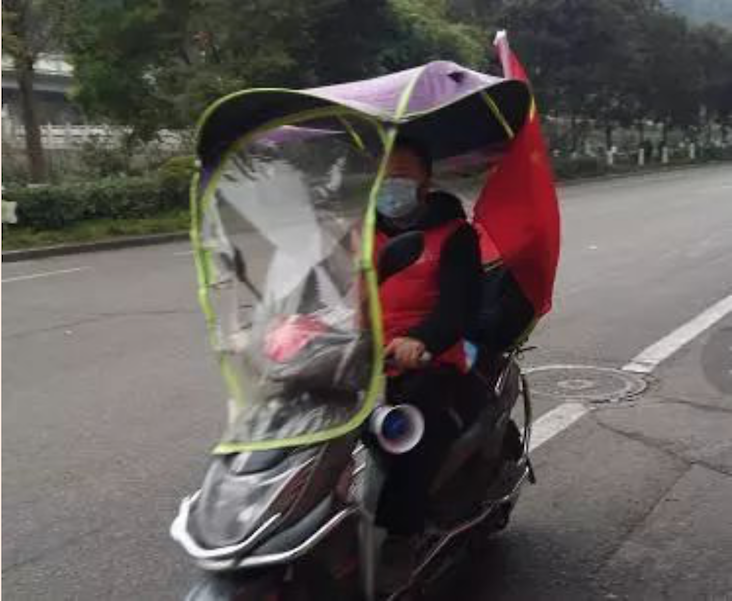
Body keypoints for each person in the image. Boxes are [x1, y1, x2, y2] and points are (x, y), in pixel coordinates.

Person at [373, 136, 483, 592]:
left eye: (401, 174)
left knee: (410, 430)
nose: (391, 183)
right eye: (384, 175)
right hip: (362, 358)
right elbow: (330, 287)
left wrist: (419, 340)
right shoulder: (363, 232)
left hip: (428, 361)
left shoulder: (455, 235)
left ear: (425, 180)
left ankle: (402, 535)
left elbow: (457, 309)